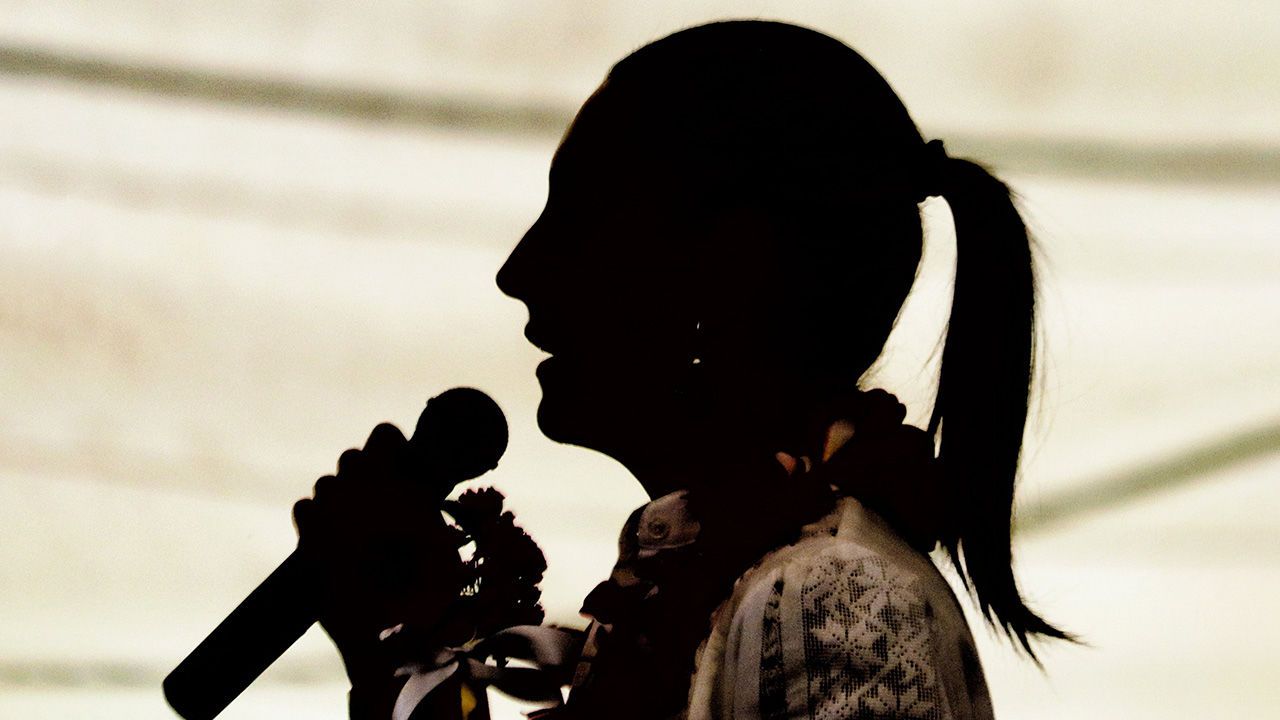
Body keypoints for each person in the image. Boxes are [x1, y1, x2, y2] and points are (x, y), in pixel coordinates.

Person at [297, 19, 1072, 720]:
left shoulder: (830, 601)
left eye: (577, 219)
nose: (519, 271)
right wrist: (404, 650)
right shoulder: (711, 588)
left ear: (727, 271)